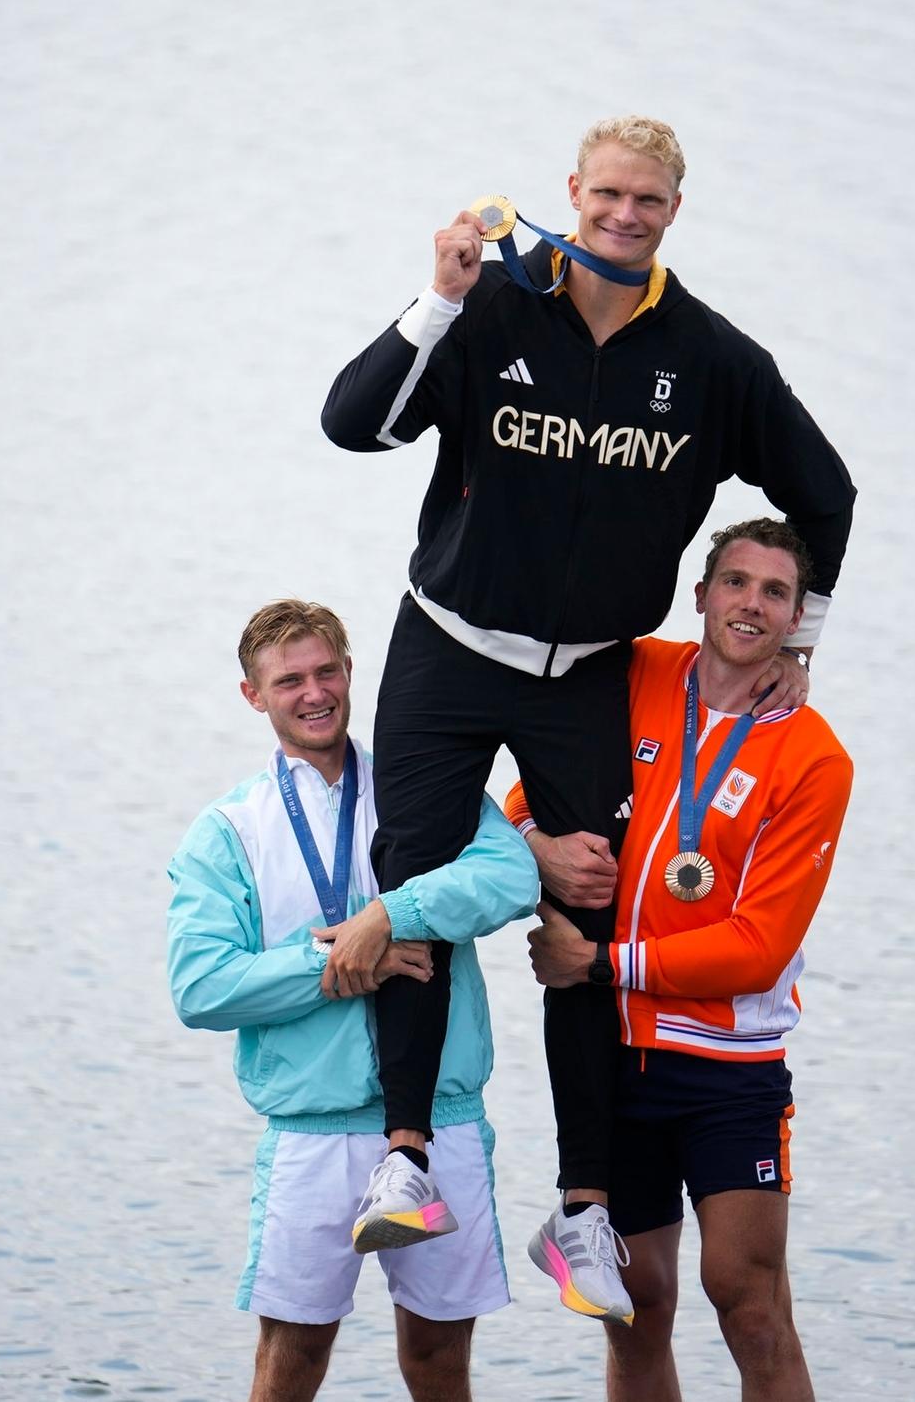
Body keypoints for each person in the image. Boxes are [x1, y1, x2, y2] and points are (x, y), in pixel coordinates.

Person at [320, 115, 856, 1323]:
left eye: (649, 201)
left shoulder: (712, 360)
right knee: (411, 872)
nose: (624, 214)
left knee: (590, 905)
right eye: (606, 193)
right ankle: (404, 1157)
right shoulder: (495, 304)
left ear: (674, 212)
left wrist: (802, 642)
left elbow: (826, 492)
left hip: (586, 674)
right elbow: (353, 423)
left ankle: (583, 1214)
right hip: (447, 648)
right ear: (572, 192)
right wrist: (439, 298)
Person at [513, 518, 851, 1400]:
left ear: (796, 618)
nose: (750, 605)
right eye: (735, 583)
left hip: (728, 1065)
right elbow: (526, 796)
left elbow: (757, 947)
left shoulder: (815, 758)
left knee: (748, 1303)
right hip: (614, 1055)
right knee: (637, 1305)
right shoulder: (637, 672)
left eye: (774, 592)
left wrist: (599, 963)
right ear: (700, 593)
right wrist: (537, 847)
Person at [168, 600, 539, 1402]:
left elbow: (513, 876)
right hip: (313, 1130)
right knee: (290, 1364)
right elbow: (200, 987)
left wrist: (390, 916)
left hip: (442, 1118)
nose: (314, 693)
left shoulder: (421, 783)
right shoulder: (228, 829)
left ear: (350, 671)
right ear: (252, 694)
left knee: (439, 1364)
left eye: (326, 671)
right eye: (289, 679)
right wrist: (336, 961)